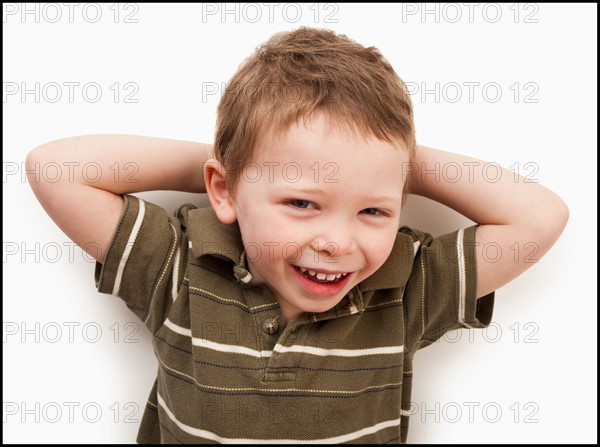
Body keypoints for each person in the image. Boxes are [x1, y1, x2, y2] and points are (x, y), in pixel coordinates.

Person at [25, 27, 568, 444]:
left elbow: (539, 218)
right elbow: (55, 169)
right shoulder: (182, 266)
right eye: (302, 202)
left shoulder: (404, 286)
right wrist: (238, 164)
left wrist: (390, 161)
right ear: (223, 189)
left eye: (373, 210)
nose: (337, 242)